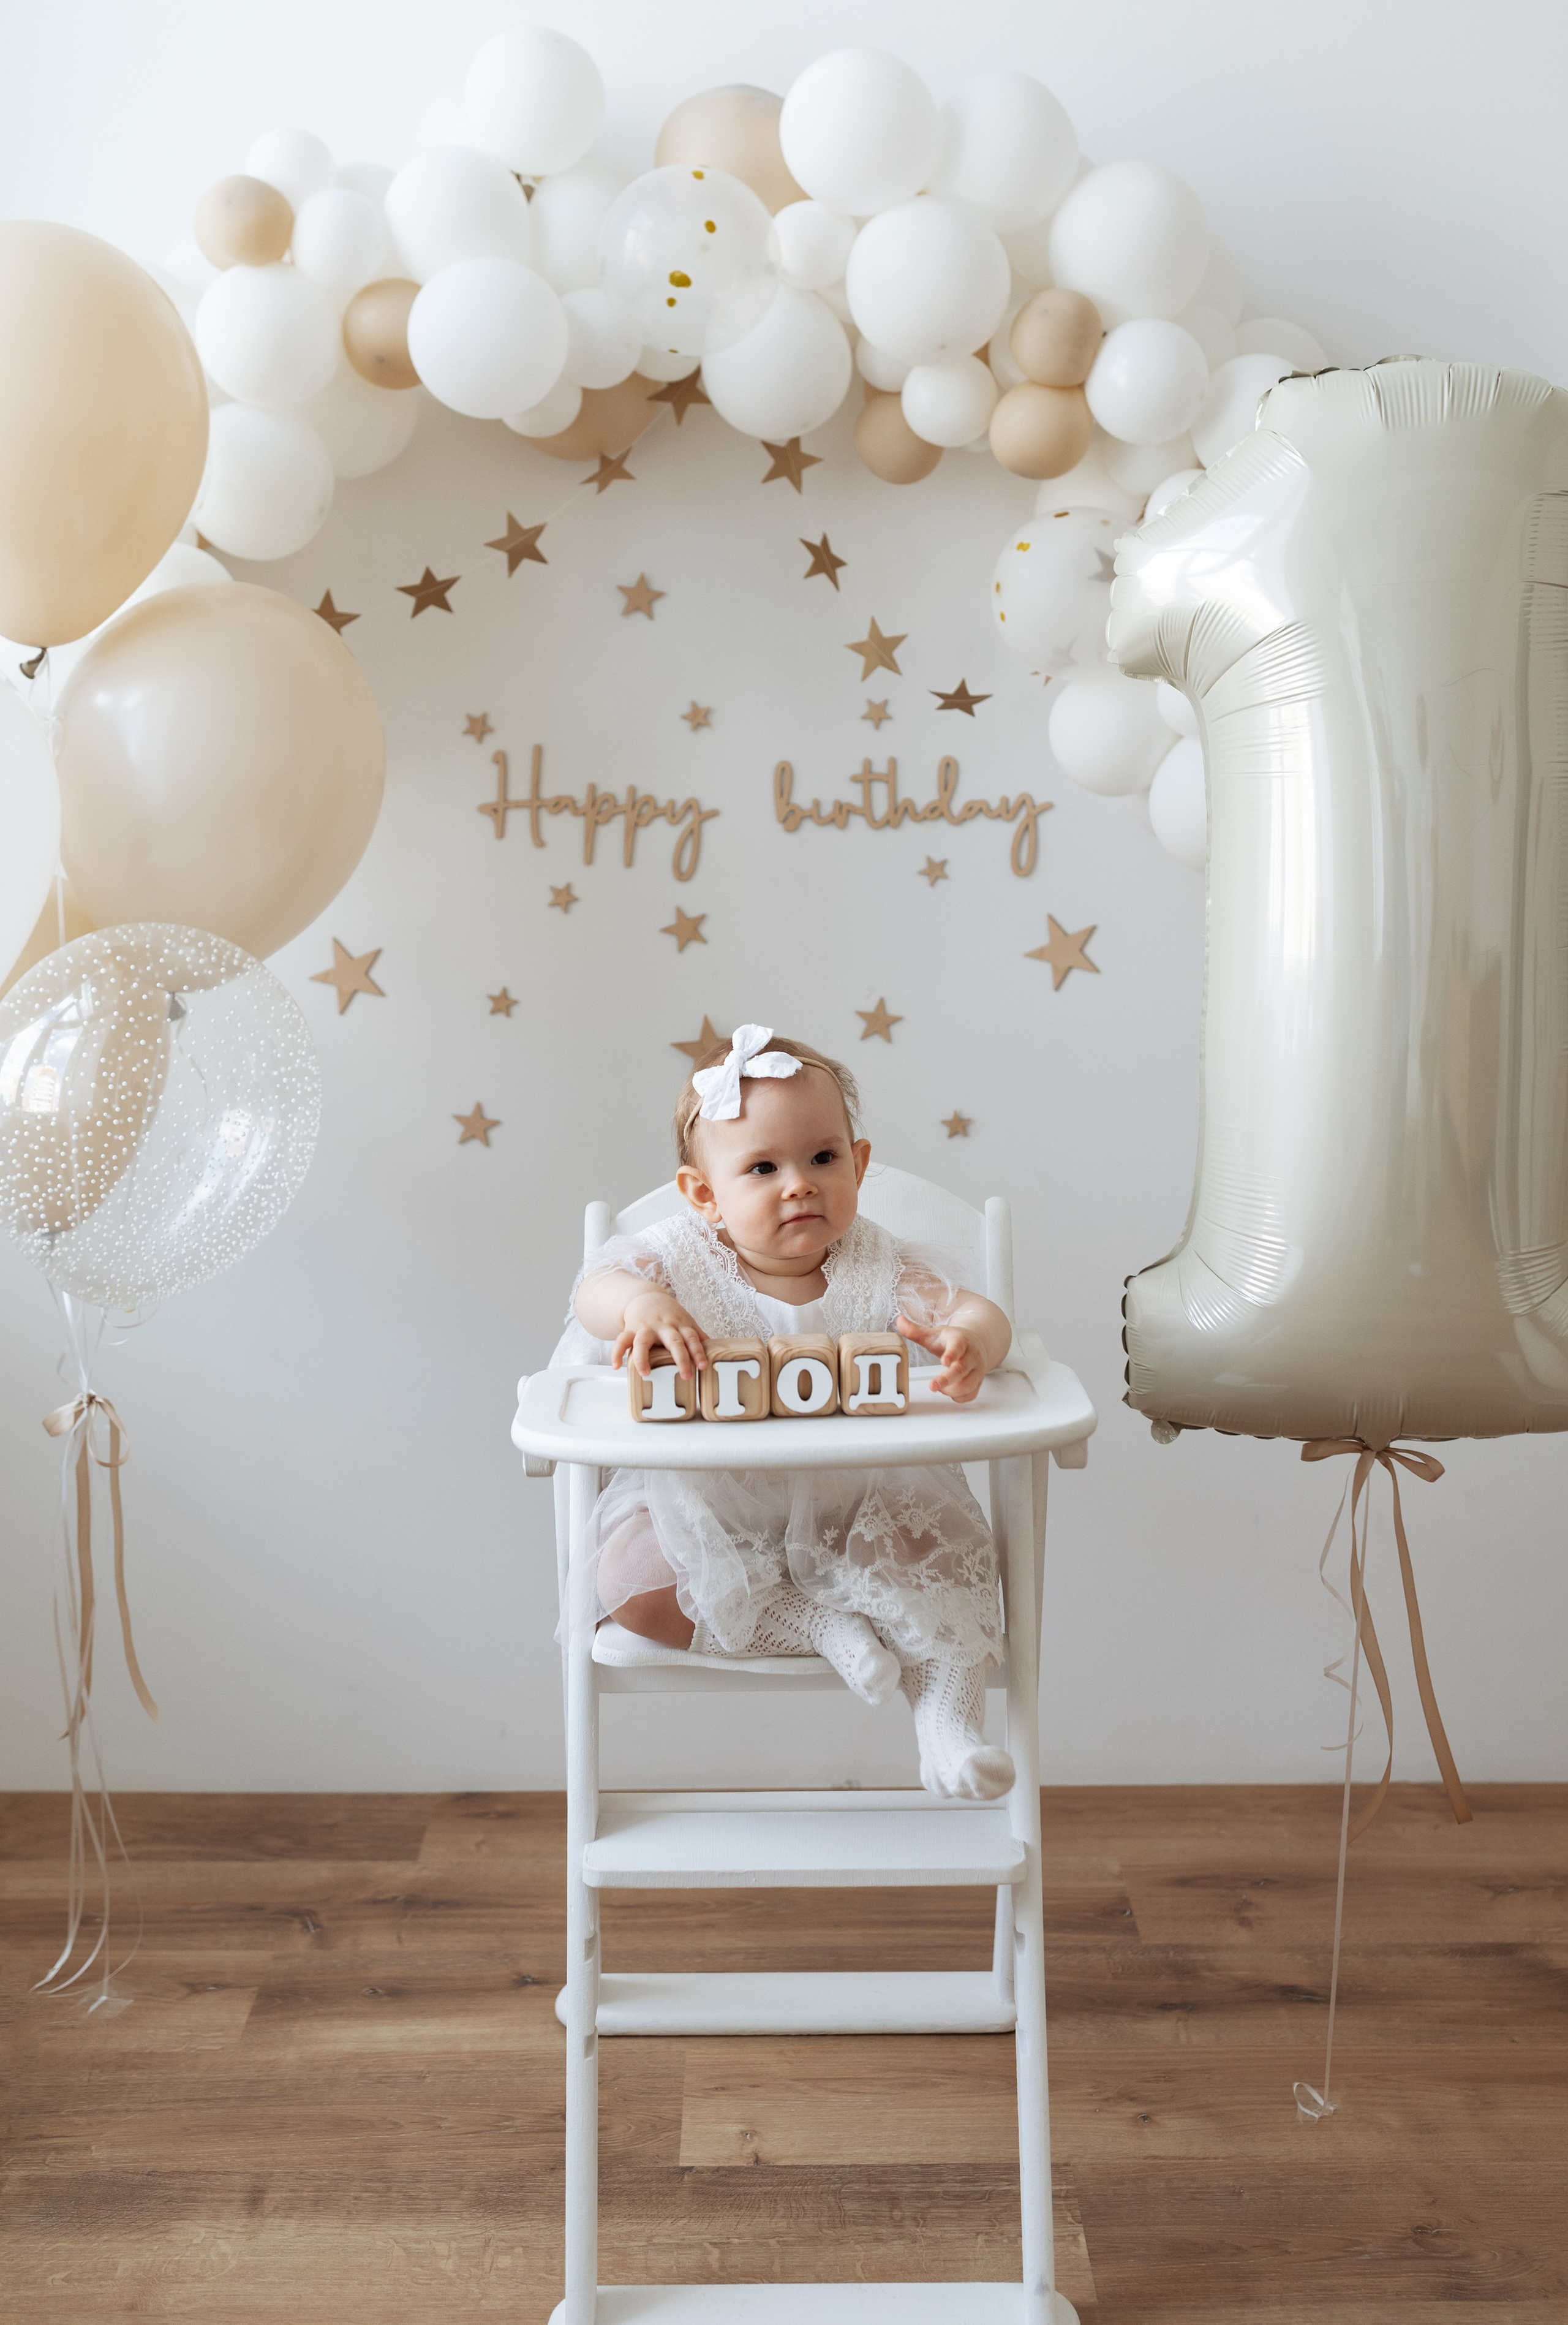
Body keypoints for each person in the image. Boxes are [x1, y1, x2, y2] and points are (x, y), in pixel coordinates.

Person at [556, 1024, 1017, 1800]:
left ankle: (947, 1730)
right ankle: (814, 1624)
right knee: (628, 1585)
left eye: (822, 1159)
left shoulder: (883, 1263)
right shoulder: (670, 1259)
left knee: (947, 1578)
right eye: (762, 1167)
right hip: (713, 1504)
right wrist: (640, 1303)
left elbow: (977, 1312)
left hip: (862, 1501)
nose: (797, 1183)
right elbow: (591, 1293)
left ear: (859, 1167)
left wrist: (969, 1339)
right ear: (704, 1194)